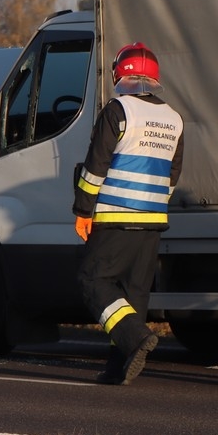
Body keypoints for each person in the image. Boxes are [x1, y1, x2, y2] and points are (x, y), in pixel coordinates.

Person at [74, 43, 184, 385]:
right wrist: (153, 203)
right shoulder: (173, 118)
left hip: (114, 215)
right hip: (152, 220)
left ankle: (135, 337)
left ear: (120, 74)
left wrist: (83, 210)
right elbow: (173, 174)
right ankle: (117, 367)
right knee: (133, 293)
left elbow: (96, 166)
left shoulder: (117, 110)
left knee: (93, 281)